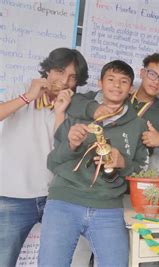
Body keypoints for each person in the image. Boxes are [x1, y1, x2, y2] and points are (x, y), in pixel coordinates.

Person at [38, 60, 149, 266]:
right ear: (100, 83)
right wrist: (71, 143)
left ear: (131, 88)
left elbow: (142, 171)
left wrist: (122, 162)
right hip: (64, 202)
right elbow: (52, 162)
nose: (117, 85)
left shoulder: (138, 125)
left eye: (123, 81)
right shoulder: (76, 112)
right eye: (111, 79)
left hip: (108, 208)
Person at [0, 47, 88, 267]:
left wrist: (61, 112)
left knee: (62, 260)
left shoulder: (74, 107)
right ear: (47, 70)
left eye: (72, 77)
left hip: (56, 197)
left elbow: (65, 149)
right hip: (12, 197)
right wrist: (28, 97)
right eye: (59, 71)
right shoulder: (20, 90)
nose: (64, 81)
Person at [68, 53, 159, 179]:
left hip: (129, 183)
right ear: (142, 73)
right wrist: (93, 109)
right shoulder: (117, 93)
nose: (156, 82)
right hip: (89, 174)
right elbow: (74, 101)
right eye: (152, 74)